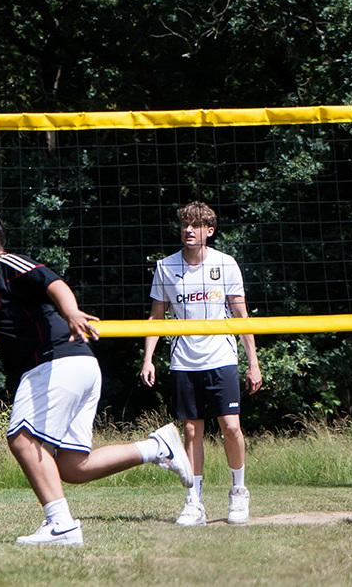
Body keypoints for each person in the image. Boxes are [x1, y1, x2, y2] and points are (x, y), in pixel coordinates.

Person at [0, 186, 194, 547]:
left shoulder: (7, 264)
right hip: (70, 367)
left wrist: (71, 311)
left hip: (58, 361)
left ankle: (62, 525)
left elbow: (53, 282)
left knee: (23, 439)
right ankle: (157, 447)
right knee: (73, 467)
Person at [138, 202, 263, 526]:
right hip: (184, 360)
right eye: (185, 225)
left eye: (196, 225)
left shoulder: (226, 264)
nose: (189, 230)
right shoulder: (166, 267)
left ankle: (238, 492)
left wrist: (254, 363)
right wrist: (148, 358)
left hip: (221, 357)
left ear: (210, 230)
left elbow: (241, 317)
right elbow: (156, 317)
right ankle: (194, 501)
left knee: (231, 427)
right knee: (192, 431)